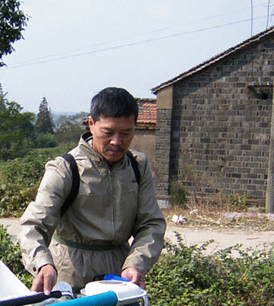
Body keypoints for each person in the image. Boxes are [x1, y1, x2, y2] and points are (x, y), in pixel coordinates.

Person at [18, 87, 166, 294]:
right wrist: (43, 264)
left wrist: (136, 264)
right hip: (69, 274)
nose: (116, 141)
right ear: (91, 124)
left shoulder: (137, 166)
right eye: (108, 132)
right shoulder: (65, 169)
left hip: (120, 277)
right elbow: (33, 225)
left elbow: (151, 224)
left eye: (126, 133)